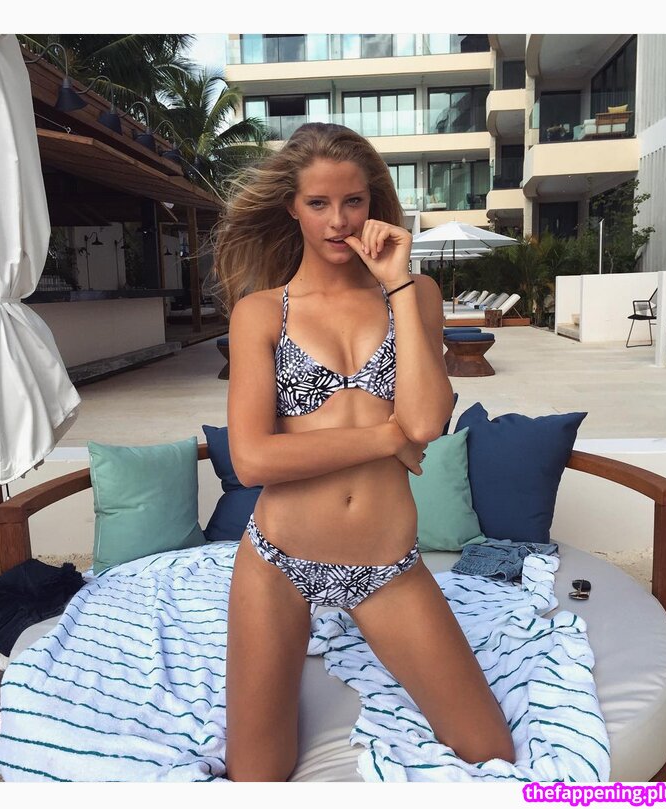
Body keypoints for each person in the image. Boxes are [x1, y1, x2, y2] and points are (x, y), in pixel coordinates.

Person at [211, 123, 516, 782]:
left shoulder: (415, 295)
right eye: (318, 203)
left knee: (490, 749)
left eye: (353, 201)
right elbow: (253, 459)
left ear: (372, 202)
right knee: (256, 776)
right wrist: (384, 438)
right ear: (292, 207)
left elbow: (426, 420)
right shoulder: (262, 313)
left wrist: (398, 284)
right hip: (278, 560)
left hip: (385, 564)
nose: (339, 220)